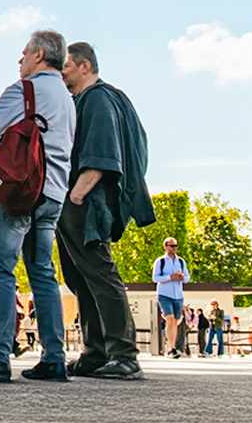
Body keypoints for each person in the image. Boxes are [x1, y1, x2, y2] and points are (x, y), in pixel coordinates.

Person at [0, 30, 76, 384]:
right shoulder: (68, 99)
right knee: (42, 273)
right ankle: (54, 357)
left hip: (19, 191)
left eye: (23, 53)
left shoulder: (25, 90)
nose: (19, 60)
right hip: (53, 192)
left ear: (39, 54)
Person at [54, 42, 153, 380]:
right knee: (82, 279)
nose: (61, 70)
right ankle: (95, 353)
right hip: (84, 199)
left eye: (65, 65)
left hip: (86, 201)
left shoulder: (97, 99)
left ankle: (123, 355)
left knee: (100, 275)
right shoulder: (94, 99)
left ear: (83, 66)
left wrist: (77, 195)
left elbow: (101, 153)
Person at [153, 237, 190, 358]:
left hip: (178, 295)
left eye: (175, 246)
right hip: (164, 294)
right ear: (166, 247)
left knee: (175, 321)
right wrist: (170, 277)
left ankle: (173, 346)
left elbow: (188, 278)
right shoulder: (160, 261)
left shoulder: (181, 261)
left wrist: (182, 277)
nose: (174, 248)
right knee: (169, 319)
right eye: (171, 246)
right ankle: (171, 349)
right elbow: (155, 278)